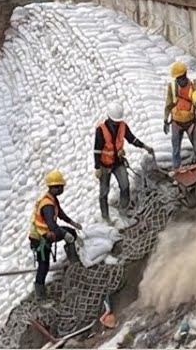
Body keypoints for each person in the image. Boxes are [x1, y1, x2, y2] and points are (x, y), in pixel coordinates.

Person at [27, 169, 83, 301]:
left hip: (47, 234)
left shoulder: (51, 199)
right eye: (60, 187)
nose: (62, 189)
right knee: (44, 265)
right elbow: (52, 224)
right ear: (54, 187)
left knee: (71, 233)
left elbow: (60, 214)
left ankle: (73, 261)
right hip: (41, 239)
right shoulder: (47, 205)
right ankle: (40, 294)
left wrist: (71, 223)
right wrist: (64, 234)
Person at [94, 107, 155, 223]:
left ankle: (123, 211)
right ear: (109, 118)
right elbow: (97, 150)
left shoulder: (123, 126)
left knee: (125, 185)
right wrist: (97, 167)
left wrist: (145, 146)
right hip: (104, 165)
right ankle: (106, 218)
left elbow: (131, 139)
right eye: (115, 121)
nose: (117, 123)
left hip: (118, 163)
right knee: (104, 192)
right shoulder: (101, 129)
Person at [164, 61, 196, 169]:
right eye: (177, 78)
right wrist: (165, 120)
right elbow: (168, 103)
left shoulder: (194, 85)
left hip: (191, 122)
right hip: (176, 122)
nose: (179, 81)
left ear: (185, 75)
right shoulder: (172, 87)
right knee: (176, 150)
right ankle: (177, 170)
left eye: (181, 78)